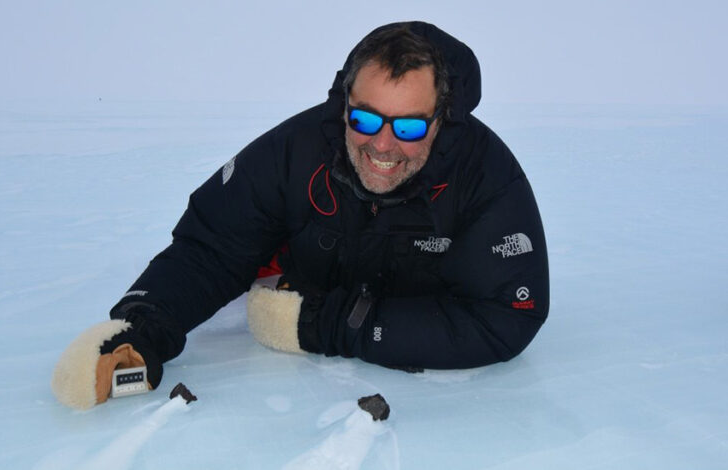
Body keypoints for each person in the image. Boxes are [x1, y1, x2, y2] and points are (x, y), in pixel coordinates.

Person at [52, 21, 549, 410]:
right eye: (365, 117)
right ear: (344, 103)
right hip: (308, 271)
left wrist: (317, 326)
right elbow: (212, 248)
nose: (382, 143)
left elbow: (507, 315)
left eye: (410, 126)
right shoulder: (297, 151)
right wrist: (143, 325)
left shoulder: (485, 177)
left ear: (444, 118)